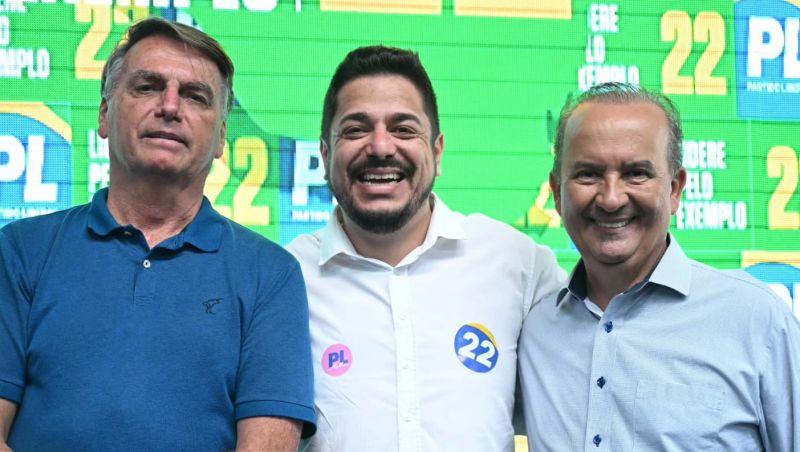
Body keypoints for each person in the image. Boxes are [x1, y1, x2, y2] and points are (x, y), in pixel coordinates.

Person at [0, 17, 315, 451]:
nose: (170, 107)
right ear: (105, 114)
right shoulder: (20, 251)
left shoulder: (271, 275)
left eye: (195, 96)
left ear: (221, 136)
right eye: (147, 87)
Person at [286, 45, 565, 452]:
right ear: (325, 155)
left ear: (437, 151)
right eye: (356, 130)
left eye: (403, 129)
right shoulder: (285, 278)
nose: (381, 147)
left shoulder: (517, 263)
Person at [518, 81, 800, 451]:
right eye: (588, 174)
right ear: (557, 193)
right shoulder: (534, 332)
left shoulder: (758, 321)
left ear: (675, 189)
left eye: (636, 173)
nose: (611, 198)